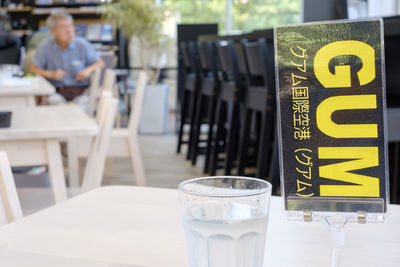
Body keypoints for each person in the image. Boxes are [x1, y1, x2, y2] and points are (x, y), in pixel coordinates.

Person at [29, 12, 104, 110]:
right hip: (56, 93)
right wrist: (51, 74)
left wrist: (87, 70)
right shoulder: (45, 46)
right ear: (53, 32)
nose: (70, 31)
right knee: (55, 104)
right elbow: (33, 69)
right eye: (64, 27)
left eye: (71, 26)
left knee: (81, 107)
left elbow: (100, 63)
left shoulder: (82, 44)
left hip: (80, 92)